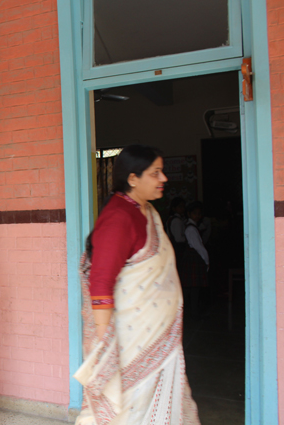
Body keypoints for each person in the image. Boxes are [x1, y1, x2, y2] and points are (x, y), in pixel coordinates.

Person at [74, 145, 200, 425]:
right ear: (133, 178)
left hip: (157, 338)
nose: (163, 178)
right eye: (155, 173)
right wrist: (105, 347)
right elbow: (101, 284)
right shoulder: (119, 217)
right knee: (133, 410)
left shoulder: (147, 211)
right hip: (131, 343)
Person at [180, 201, 210, 317]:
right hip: (194, 258)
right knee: (193, 288)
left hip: (192, 258)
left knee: (191, 287)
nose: (197, 216)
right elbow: (199, 247)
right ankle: (194, 312)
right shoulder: (191, 229)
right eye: (194, 213)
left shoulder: (191, 226)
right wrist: (206, 260)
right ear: (189, 214)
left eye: (199, 214)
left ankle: (191, 312)